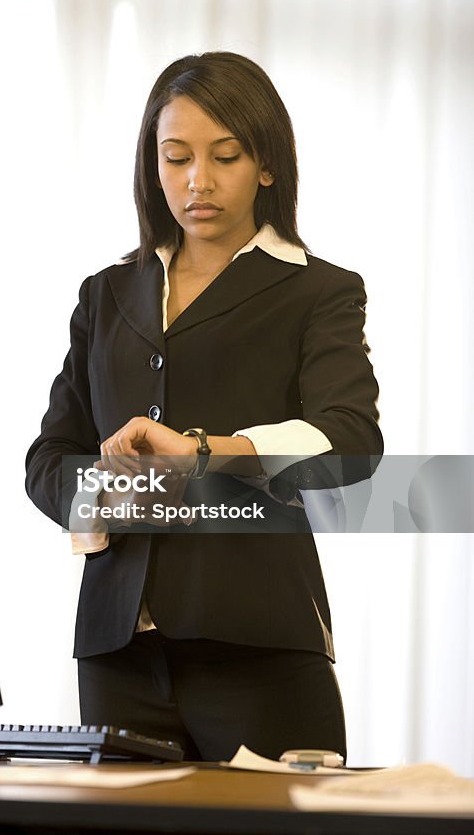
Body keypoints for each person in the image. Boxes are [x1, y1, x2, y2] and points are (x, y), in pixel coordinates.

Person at [25, 51, 382, 762]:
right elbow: (47, 462)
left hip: (257, 643)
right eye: (175, 157)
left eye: (224, 156)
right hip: (115, 649)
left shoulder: (317, 291)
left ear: (266, 166)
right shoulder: (105, 294)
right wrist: (111, 485)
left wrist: (205, 452)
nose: (197, 181)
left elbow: (350, 442)